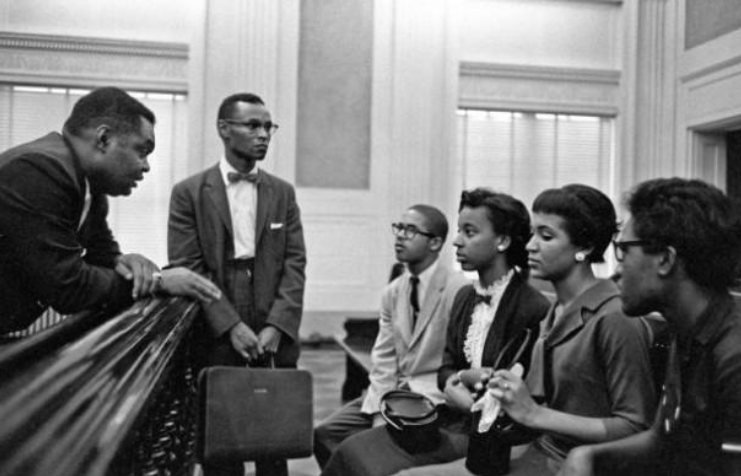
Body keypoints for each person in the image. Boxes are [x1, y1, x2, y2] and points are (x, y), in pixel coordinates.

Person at [396, 184, 657, 476]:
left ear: (584, 247)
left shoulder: (616, 318)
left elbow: (636, 428)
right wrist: (495, 387)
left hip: (576, 465)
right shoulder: (557, 310)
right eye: (533, 234)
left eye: (546, 236)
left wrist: (534, 414)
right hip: (537, 452)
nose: (531, 245)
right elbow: (536, 399)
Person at [321, 188, 551, 476]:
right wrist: (458, 379)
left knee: (374, 464)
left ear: (502, 241)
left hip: (491, 439)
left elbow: (519, 395)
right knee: (351, 450)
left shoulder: (531, 306)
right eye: (459, 231)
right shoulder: (466, 296)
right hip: (448, 418)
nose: (456, 241)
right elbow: (446, 368)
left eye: (469, 232)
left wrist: (468, 398)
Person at [0, 87, 221, 336]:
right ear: (104, 139)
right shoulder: (36, 173)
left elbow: (102, 255)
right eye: (142, 151)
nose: (146, 166)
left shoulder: (89, 187)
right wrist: (159, 282)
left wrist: (124, 262)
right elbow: (68, 286)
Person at [559, 178, 741, 476]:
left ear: (666, 260)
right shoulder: (685, 328)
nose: (617, 271)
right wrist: (589, 455)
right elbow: (663, 438)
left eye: (624, 252)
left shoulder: (734, 356)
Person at [168, 92, 306, 476]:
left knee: (274, 439)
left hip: (271, 313)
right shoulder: (188, 193)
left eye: (268, 126)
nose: (263, 134)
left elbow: (295, 262)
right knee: (222, 443)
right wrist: (229, 326)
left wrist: (278, 324)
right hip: (215, 312)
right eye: (253, 125)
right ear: (224, 129)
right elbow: (188, 266)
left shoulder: (282, 192)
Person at [313, 204, 469, 468]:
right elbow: (384, 359)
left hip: (433, 398)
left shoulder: (458, 288)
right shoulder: (394, 291)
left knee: (368, 450)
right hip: (394, 393)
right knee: (325, 434)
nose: (400, 236)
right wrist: (378, 410)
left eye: (410, 230)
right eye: (399, 228)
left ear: (435, 243)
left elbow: (460, 362)